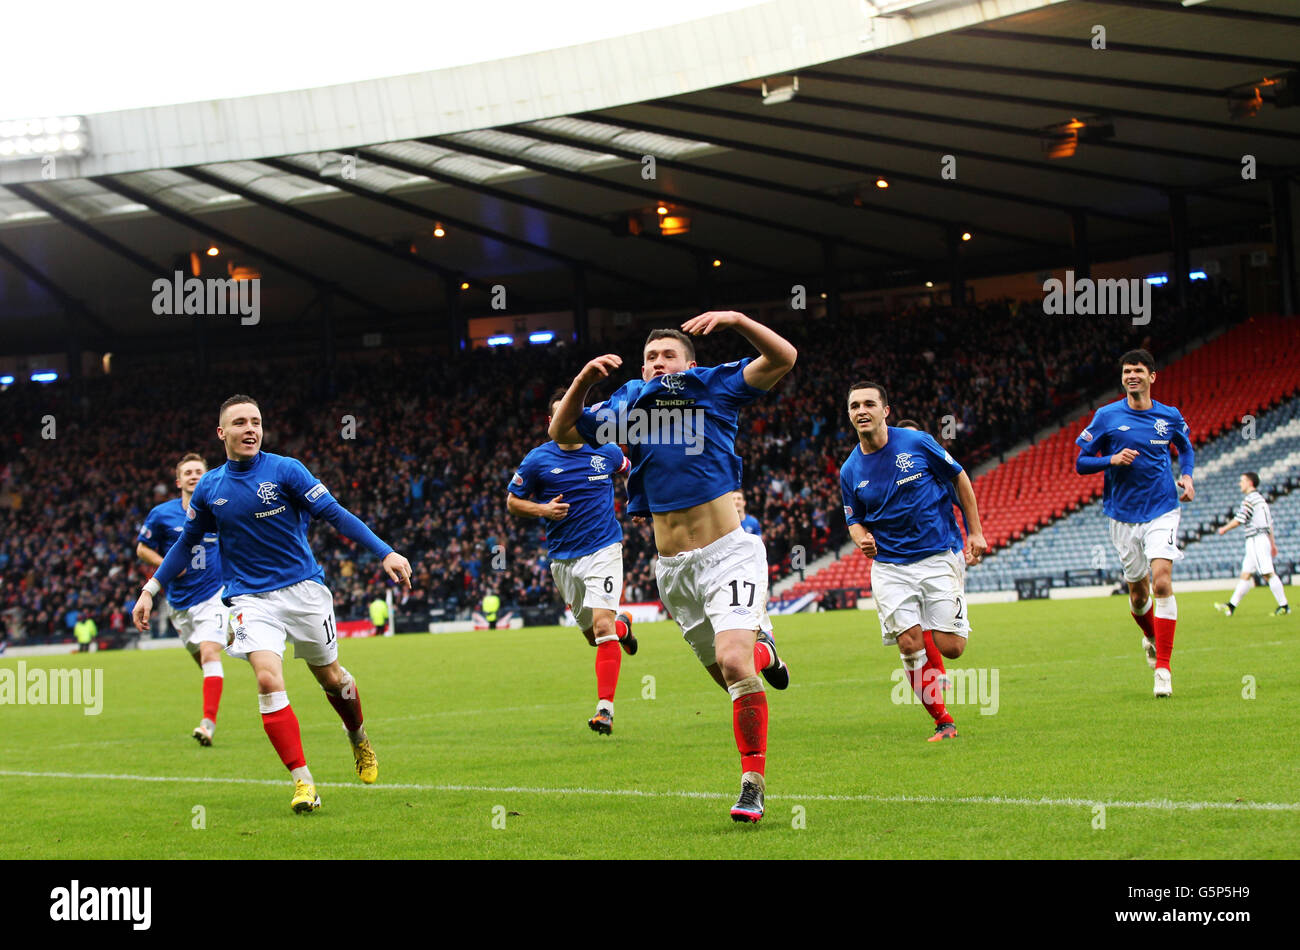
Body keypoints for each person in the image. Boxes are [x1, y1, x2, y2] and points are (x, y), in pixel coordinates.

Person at [551, 313, 795, 823]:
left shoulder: (711, 387)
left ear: (689, 363)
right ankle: (765, 652)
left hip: (729, 551)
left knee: (733, 661)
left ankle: (752, 783)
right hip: (673, 571)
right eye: (651, 357)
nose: (658, 363)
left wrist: (736, 319)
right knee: (730, 675)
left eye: (668, 356)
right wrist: (584, 381)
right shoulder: (628, 402)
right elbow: (562, 428)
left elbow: (784, 358)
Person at [133, 395, 413, 813]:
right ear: (221, 433)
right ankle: (304, 783)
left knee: (333, 679)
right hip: (248, 597)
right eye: (240, 422)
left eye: (256, 422)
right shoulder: (210, 486)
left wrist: (385, 551)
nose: (250, 429)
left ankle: (358, 737)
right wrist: (151, 589)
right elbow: (185, 543)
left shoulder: (286, 470)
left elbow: (335, 514)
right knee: (267, 680)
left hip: (303, 591)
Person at [840, 383, 986, 742]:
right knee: (908, 643)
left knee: (952, 648)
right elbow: (852, 518)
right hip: (890, 566)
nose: (862, 410)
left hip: (938, 556)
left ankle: (934, 638)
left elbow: (959, 477)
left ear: (885, 410)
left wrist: (976, 532)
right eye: (855, 405)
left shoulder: (916, 442)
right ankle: (943, 721)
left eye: (869, 403)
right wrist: (861, 538)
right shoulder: (849, 470)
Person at [507, 388, 638, 734]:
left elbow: (632, 469)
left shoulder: (605, 450)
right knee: (595, 638)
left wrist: (640, 502)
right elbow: (512, 502)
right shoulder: (537, 459)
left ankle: (605, 710)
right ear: (552, 422)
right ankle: (623, 625)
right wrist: (543, 510)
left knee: (601, 628)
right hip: (563, 560)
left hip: (604, 549)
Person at [1075, 349, 1195, 698]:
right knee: (1139, 593)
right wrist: (1112, 459)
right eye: (1127, 371)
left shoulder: (1169, 415)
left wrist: (1186, 476)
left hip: (1162, 508)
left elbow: (1185, 448)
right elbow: (1081, 462)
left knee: (1161, 582)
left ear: (1152, 376)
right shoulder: (1106, 416)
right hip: (1122, 515)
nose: (1132, 376)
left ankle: (1163, 670)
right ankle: (1150, 636)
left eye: (1138, 371)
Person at [136, 452, 228, 746]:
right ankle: (227, 646)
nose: (193, 476)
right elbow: (141, 548)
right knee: (202, 657)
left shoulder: (218, 510)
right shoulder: (162, 515)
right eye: (187, 472)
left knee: (211, 653)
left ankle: (207, 723)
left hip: (214, 595)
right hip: (179, 603)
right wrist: (167, 563)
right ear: (179, 481)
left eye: (198, 471)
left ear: (206, 476)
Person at [894, 418, 953, 693]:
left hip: (946, 551)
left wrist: (972, 537)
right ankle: (936, 675)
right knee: (918, 625)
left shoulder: (936, 471)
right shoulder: (894, 476)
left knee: (950, 639)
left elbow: (960, 496)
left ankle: (938, 670)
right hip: (907, 560)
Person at [1215, 472, 1290, 616]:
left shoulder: (1250, 500)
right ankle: (1231, 606)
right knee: (1246, 575)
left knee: (1268, 573)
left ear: (1250, 483)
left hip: (1256, 539)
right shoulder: (1261, 500)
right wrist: (1272, 544)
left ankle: (1284, 606)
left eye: (1242, 481)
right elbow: (1270, 525)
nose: (1239, 483)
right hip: (1262, 539)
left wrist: (1224, 528)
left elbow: (1240, 519)